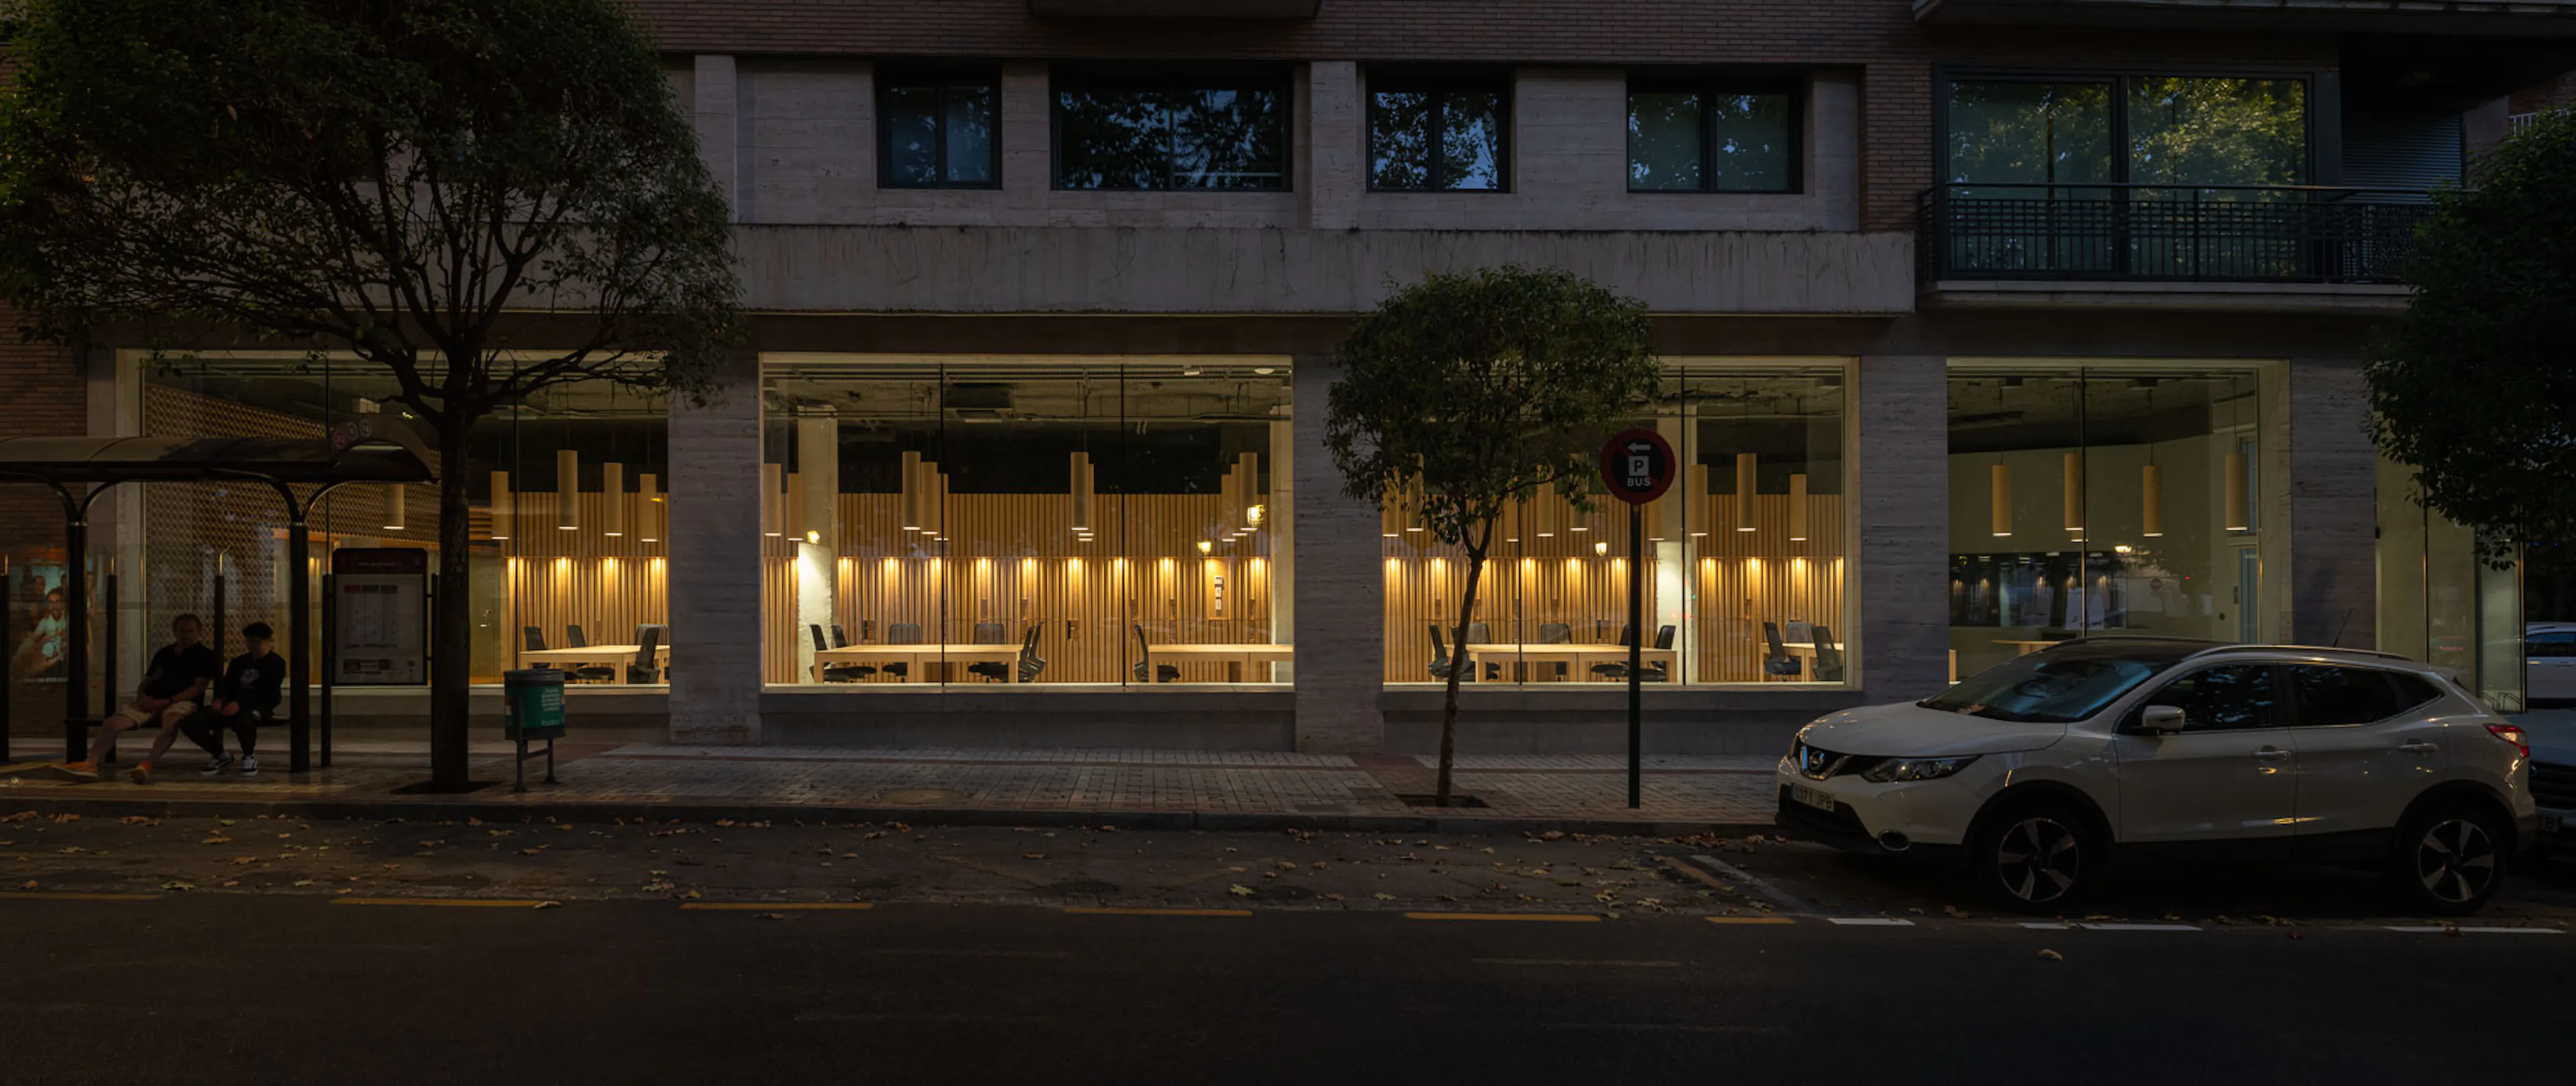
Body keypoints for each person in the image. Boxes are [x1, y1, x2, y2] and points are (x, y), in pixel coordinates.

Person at [47, 613, 217, 783]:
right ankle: (90, 763)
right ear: (175, 632)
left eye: (190, 631)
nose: (186, 635)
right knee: (111, 724)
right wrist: (142, 696)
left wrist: (168, 701)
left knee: (172, 722)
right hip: (152, 700)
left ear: (198, 632)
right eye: (181, 631)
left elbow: (198, 689)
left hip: (179, 702)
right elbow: (147, 680)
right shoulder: (165, 653)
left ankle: (147, 765)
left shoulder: (205, 656)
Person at [180, 622, 284, 777]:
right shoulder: (239, 662)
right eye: (249, 641)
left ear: (268, 641)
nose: (252, 646)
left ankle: (249, 756)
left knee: (245, 721)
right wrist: (220, 700)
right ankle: (219, 754)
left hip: (259, 705)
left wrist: (240, 704)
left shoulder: (276, 663)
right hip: (231, 704)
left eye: (257, 642)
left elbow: (268, 692)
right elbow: (227, 685)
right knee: (191, 721)